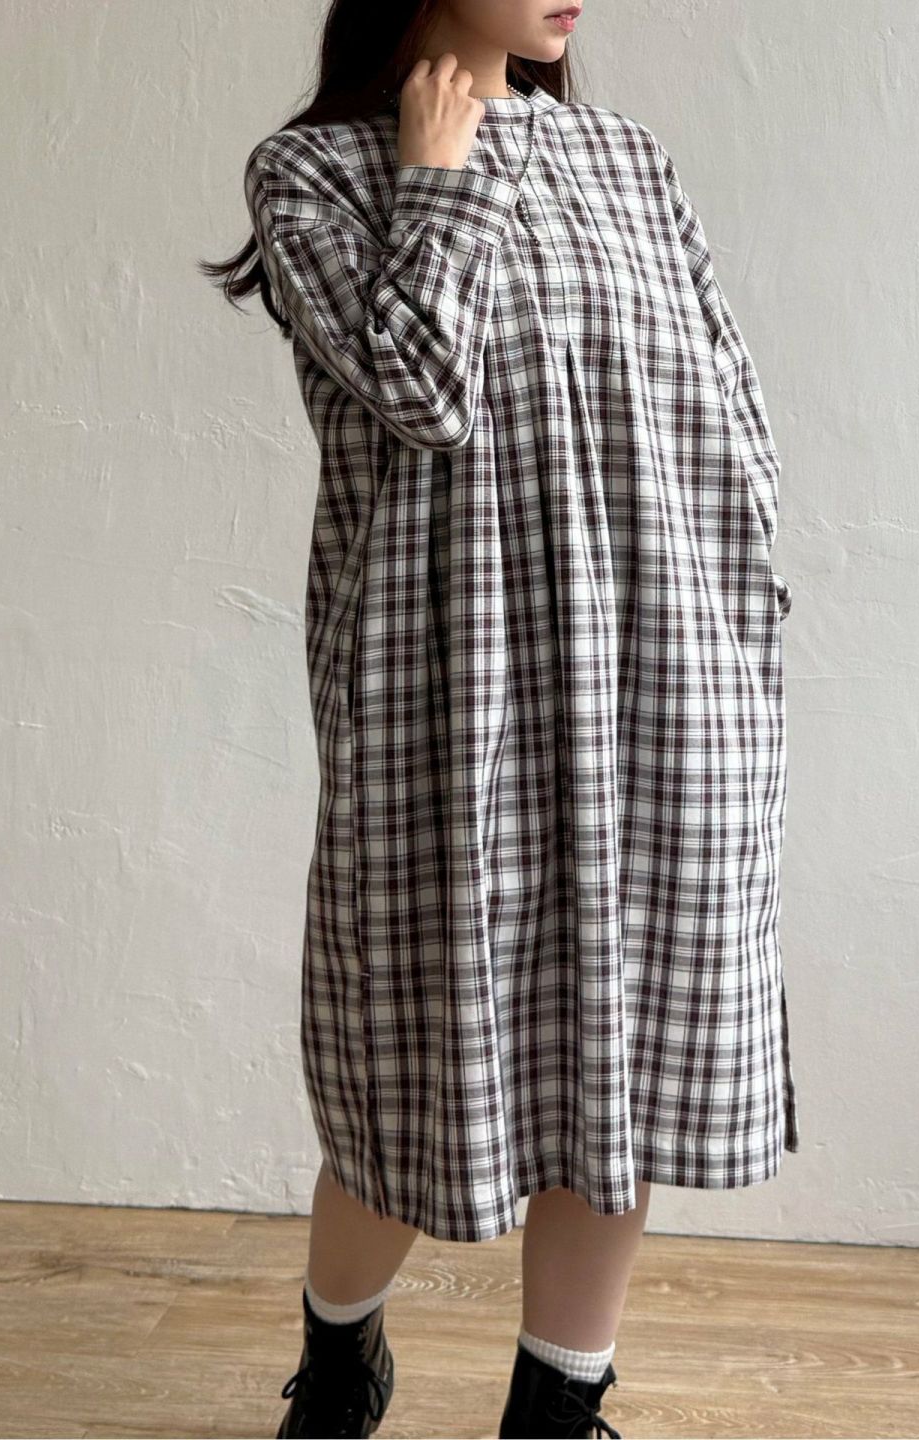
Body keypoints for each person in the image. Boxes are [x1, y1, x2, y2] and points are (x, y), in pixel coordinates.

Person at [201, 1, 799, 1434]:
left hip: (664, 687)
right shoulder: (312, 174)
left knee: (623, 1073)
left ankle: (557, 1410)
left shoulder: (628, 160)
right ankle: (339, 1358)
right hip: (442, 701)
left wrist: (745, 614)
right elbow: (423, 390)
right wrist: (438, 179)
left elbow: (724, 400)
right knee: (411, 1080)